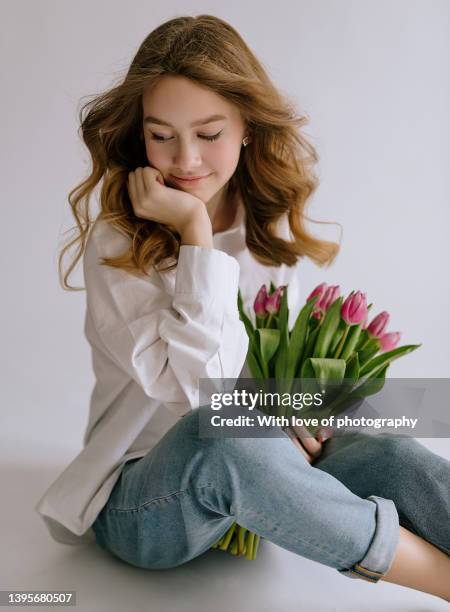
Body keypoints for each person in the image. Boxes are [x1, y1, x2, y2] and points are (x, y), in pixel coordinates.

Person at [35, 14, 450, 602]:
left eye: (208, 134)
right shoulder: (118, 240)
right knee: (224, 441)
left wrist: (306, 408)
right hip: (144, 501)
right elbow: (200, 396)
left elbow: (269, 386)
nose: (185, 160)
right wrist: (194, 233)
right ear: (139, 134)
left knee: (382, 431)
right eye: (161, 135)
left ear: (248, 127)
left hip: (257, 482)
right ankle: (442, 581)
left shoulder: (265, 220)